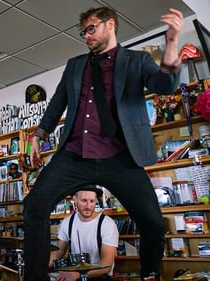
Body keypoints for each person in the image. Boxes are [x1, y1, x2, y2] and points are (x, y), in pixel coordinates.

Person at [24, 7, 183, 281]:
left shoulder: (136, 60)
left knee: (154, 223)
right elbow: (57, 102)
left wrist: (171, 42)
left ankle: (149, 275)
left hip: (119, 157)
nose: (86, 35)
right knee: (34, 205)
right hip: (75, 155)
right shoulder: (75, 65)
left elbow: (165, 85)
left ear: (111, 25)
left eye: (91, 28)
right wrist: (38, 135)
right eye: (83, 31)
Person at [50, 186, 118, 281]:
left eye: (92, 201)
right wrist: (39, 266)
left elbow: (106, 265)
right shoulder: (67, 222)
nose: (88, 206)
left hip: (99, 277)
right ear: (75, 199)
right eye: (84, 200)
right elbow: (58, 253)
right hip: (74, 276)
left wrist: (77, 274)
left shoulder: (107, 224)